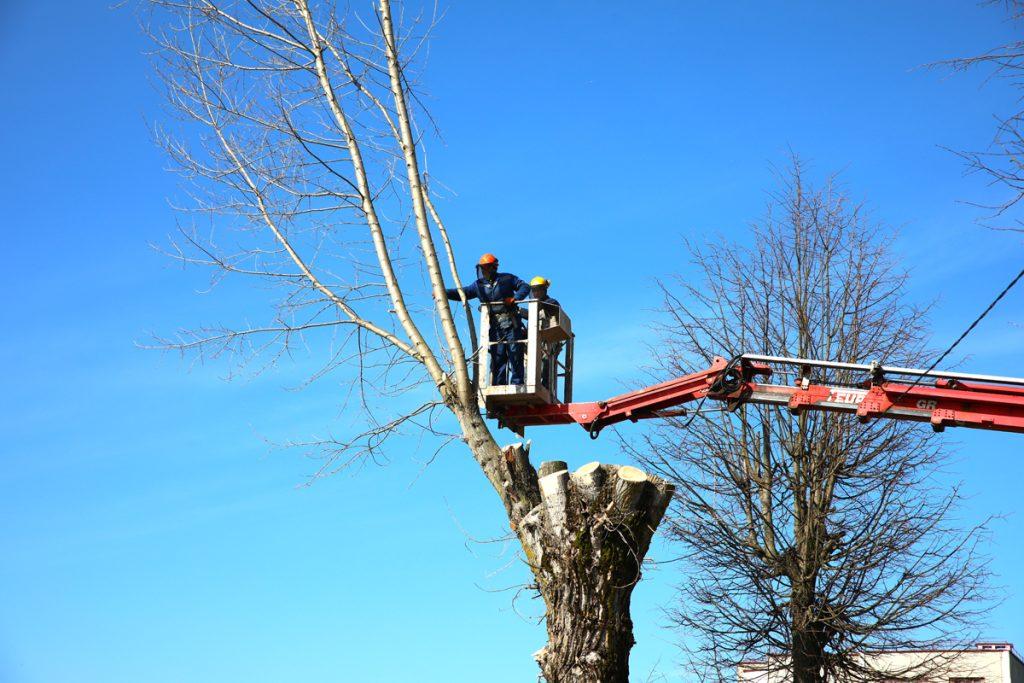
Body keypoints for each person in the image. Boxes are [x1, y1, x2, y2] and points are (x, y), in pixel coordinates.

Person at [446, 254, 530, 385]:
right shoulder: (479, 285)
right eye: (482, 268)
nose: (484, 271)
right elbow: (464, 293)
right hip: (495, 327)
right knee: (498, 356)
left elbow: (524, 286)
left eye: (486, 268)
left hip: (511, 323)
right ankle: (498, 384)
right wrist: (444, 292)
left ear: (493, 268)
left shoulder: (507, 278)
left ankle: (517, 384)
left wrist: (516, 298)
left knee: (515, 354)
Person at [528, 276, 562, 391]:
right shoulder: (535, 308)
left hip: (549, 339)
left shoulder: (551, 303)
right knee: (533, 363)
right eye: (533, 290)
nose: (535, 293)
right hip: (536, 340)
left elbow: (546, 309)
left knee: (546, 361)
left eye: (538, 290)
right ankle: (533, 383)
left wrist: (526, 313)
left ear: (544, 290)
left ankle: (546, 386)